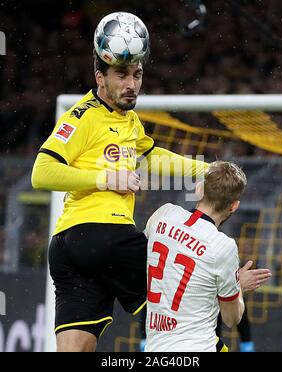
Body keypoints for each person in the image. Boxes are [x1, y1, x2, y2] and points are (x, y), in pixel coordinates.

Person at [31, 12, 207, 352]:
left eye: (137, 74)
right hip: (103, 234)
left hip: (70, 250)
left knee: (75, 347)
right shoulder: (81, 117)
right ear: (100, 75)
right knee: (183, 313)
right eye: (122, 74)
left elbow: (152, 156)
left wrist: (203, 170)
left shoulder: (130, 121)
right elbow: (42, 171)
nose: (132, 83)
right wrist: (105, 179)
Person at [143, 161, 272, 352]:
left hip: (155, 347)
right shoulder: (223, 246)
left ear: (198, 189)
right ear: (234, 206)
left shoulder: (163, 214)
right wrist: (238, 286)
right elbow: (231, 319)